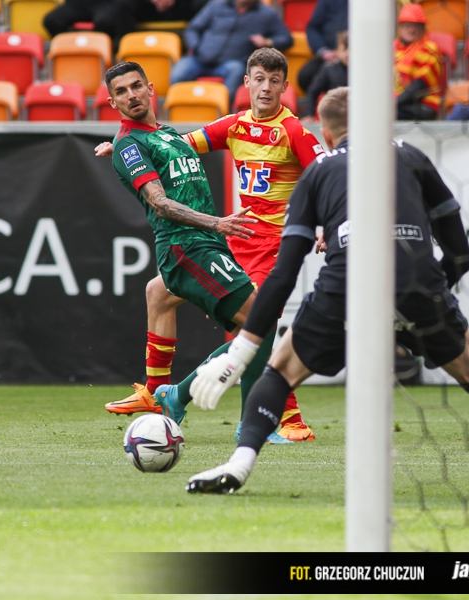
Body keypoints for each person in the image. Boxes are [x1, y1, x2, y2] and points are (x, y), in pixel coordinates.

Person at [185, 86, 469, 500]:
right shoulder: (411, 156)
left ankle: (239, 465)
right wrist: (433, 299)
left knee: (280, 371)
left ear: (325, 131)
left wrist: (239, 354)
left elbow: (284, 274)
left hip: (347, 284)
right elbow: (460, 254)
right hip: (415, 281)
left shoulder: (318, 171)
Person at [98, 48, 323, 444]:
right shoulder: (232, 125)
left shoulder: (292, 132)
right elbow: (157, 193)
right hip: (204, 242)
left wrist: (325, 221)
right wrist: (121, 148)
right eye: (259, 79)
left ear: (151, 89)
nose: (265, 88)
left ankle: (163, 393)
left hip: (254, 243)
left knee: (162, 295)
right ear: (246, 83)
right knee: (256, 324)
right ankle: (250, 416)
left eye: (274, 81)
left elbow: (325, 174)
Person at [170, 0, 292, 107]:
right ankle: (180, 111)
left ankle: (225, 115)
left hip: (231, 62)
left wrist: (267, 42)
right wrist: (196, 47)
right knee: (178, 73)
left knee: (237, 72)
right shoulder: (216, 5)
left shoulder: (267, 14)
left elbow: (286, 38)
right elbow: (192, 29)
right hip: (199, 58)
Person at [394, 3, 441, 121]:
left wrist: (393, 103)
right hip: (398, 104)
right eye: (407, 25)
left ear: (423, 28)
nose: (412, 29)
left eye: (416, 25)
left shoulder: (429, 48)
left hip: (423, 105)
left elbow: (419, 86)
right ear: (400, 27)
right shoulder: (392, 47)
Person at [296, 0, 348, 96]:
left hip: (363, 59)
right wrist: (323, 51)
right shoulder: (328, 1)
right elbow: (313, 28)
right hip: (330, 56)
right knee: (306, 76)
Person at [302, 30, 348, 119]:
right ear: (337, 51)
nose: (348, 54)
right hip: (334, 116)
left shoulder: (366, 71)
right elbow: (312, 92)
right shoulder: (329, 69)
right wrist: (308, 114)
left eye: (353, 49)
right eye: (344, 49)